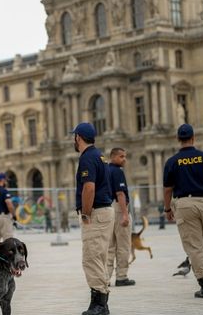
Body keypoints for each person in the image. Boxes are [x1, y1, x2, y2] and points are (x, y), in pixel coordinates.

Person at [163, 124, 203, 299]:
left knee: (195, 247)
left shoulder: (172, 161)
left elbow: (168, 189)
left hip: (186, 204)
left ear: (178, 139)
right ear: (193, 138)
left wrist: (167, 208)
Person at [72, 122, 114, 315]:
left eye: (74, 136)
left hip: (96, 213)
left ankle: (99, 304)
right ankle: (101, 303)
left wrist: (86, 213)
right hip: (105, 211)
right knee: (99, 257)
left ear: (78, 137)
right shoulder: (100, 155)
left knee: (91, 258)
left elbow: (89, 187)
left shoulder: (87, 158)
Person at [106, 147, 135, 287]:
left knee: (109, 246)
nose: (124, 159)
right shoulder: (117, 171)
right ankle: (122, 276)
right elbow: (120, 194)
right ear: (113, 157)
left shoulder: (106, 170)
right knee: (123, 245)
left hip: (107, 209)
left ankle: (105, 278)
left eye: (125, 156)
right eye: (121, 156)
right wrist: (125, 214)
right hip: (118, 208)